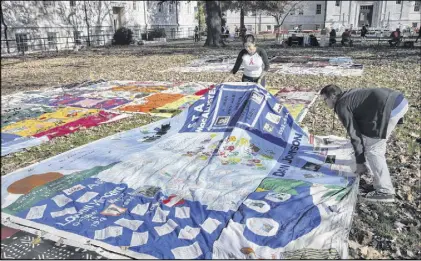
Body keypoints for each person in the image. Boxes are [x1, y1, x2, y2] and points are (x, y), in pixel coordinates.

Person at [320, 85, 408, 203]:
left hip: (390, 107)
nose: (324, 103)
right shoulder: (348, 95)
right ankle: (378, 182)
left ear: (332, 97)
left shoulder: (341, 105)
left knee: (374, 150)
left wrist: (360, 162)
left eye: (324, 99)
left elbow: (354, 135)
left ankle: (385, 191)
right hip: (398, 100)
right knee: (373, 143)